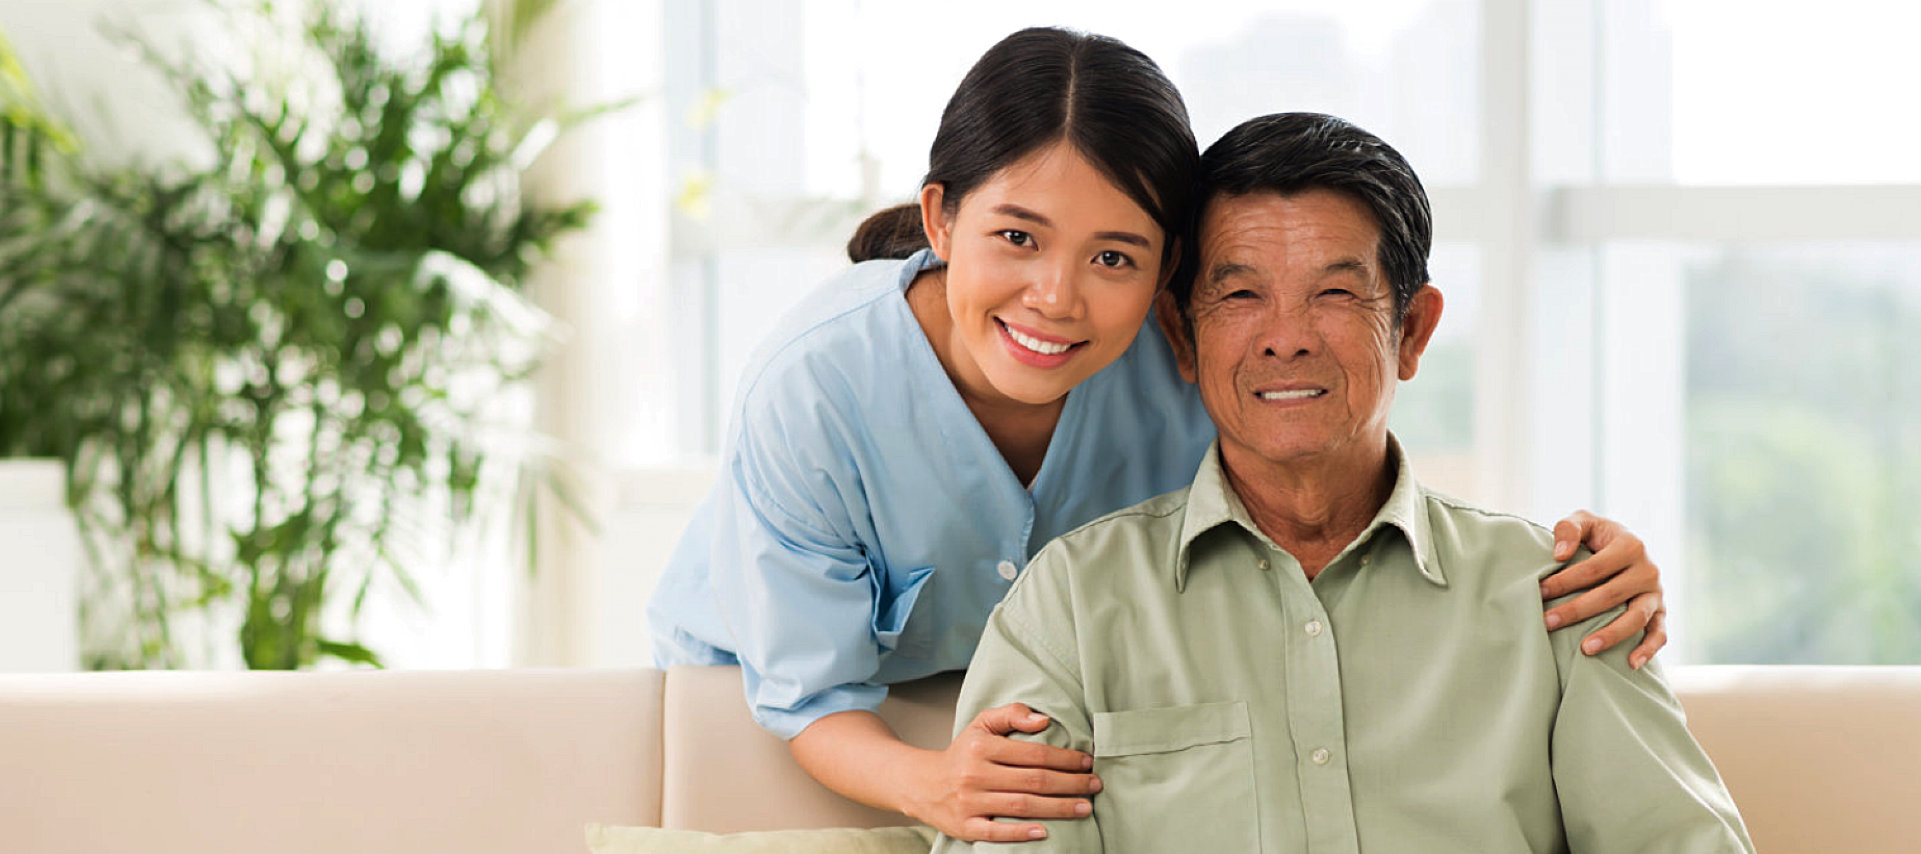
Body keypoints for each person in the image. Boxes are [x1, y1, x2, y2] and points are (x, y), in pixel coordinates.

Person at [647, 28, 1669, 844]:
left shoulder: (1185, 354)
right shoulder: (818, 384)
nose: (1056, 296)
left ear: (1163, 280)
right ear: (941, 219)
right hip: (799, 698)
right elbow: (806, 689)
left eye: (1114, 256)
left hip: (1034, 681)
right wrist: (932, 781)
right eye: (1017, 236)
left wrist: (1590, 562)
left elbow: (1330, 441)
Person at [933, 112, 1752, 853]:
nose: (1285, 339)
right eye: (1241, 294)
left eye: (1333, 292)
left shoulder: (1562, 597)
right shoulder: (1072, 605)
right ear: (1181, 336)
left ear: (1411, 331)